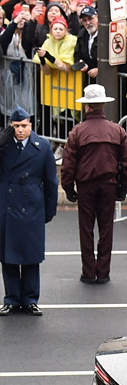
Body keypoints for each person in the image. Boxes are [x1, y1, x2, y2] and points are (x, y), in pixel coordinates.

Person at [59, 85, 127, 285]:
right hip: (109, 184)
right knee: (106, 229)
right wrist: (123, 189)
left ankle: (88, 271)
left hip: (85, 185)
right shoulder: (117, 130)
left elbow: (68, 165)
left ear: (87, 107)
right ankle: (103, 272)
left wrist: (69, 189)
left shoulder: (77, 132)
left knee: (86, 229)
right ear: (103, 105)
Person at [0, 107, 57, 316]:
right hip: (7, 204)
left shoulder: (41, 146)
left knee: (31, 256)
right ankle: (11, 299)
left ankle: (31, 299)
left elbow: (51, 181)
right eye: (15, 127)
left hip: (33, 205)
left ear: (30, 125)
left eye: (23, 126)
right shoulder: (4, 146)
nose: (20, 130)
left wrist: (50, 209)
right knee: (8, 256)